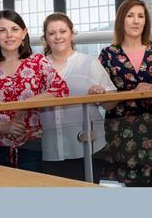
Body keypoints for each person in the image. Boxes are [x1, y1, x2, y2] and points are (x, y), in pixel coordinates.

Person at [0, 9, 69, 172]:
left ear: (24, 33)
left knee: (29, 196)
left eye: (14, 29)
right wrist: (2, 127)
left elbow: (60, 90)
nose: (9, 35)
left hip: (30, 148)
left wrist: (25, 104)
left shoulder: (38, 62)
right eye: (2, 30)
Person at [98, 0, 152, 187]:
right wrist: (132, 92)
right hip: (122, 132)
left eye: (140, 16)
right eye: (130, 16)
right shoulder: (108, 55)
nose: (136, 21)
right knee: (132, 187)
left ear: (146, 22)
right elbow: (104, 97)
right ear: (121, 20)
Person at [40, 12, 117, 183]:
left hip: (87, 148)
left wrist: (101, 94)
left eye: (63, 31)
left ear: (71, 34)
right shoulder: (37, 67)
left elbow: (110, 104)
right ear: (45, 38)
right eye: (52, 33)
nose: (58, 37)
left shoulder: (89, 63)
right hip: (49, 150)